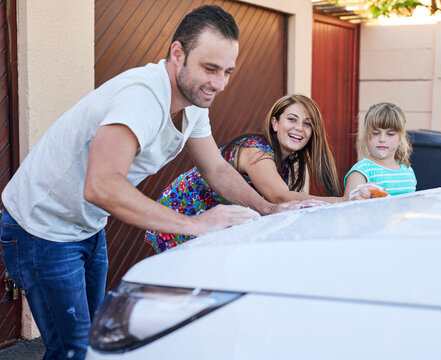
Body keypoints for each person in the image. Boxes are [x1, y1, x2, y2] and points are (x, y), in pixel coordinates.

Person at [0, 5, 308, 359]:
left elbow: (217, 169)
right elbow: (100, 185)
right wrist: (195, 224)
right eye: (210, 69)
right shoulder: (142, 98)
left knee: (96, 342)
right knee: (74, 351)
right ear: (178, 53)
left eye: (227, 72)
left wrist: (269, 208)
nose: (219, 84)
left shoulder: (194, 103)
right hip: (41, 229)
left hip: (86, 225)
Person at [145, 94, 346, 252]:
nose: (299, 128)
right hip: (180, 217)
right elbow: (280, 197)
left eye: (307, 123)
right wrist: (343, 202)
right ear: (275, 124)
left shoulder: (283, 165)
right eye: (292, 119)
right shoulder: (255, 150)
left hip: (212, 228)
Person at [344, 102, 417, 199]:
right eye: (375, 133)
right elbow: (350, 207)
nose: (382, 139)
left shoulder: (407, 171)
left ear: (400, 138)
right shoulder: (361, 172)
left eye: (390, 134)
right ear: (366, 136)